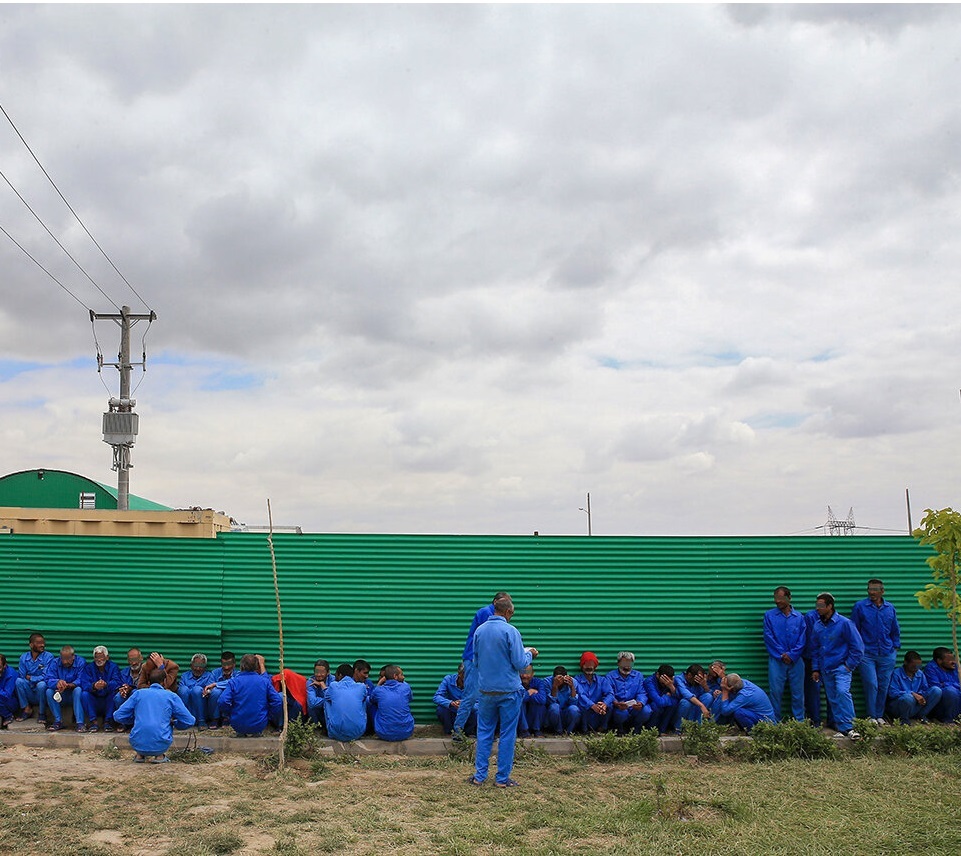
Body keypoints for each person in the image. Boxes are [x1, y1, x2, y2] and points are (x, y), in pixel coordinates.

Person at [470, 595, 537, 788]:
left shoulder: (480, 631)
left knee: (484, 732)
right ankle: (501, 779)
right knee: (507, 733)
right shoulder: (511, 631)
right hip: (508, 691)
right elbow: (519, 662)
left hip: (486, 690)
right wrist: (530, 654)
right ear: (508, 612)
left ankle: (479, 776)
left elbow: (475, 661)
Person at [453, 591, 510, 741]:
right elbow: (489, 639)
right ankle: (458, 732)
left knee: (484, 696)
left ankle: (483, 733)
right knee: (470, 696)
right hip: (475, 659)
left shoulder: (490, 613)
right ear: (497, 602)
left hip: (482, 660)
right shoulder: (487, 613)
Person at [810, 592, 865, 741]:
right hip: (825, 668)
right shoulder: (817, 625)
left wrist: (848, 666)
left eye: (821, 606)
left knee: (842, 692)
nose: (818, 608)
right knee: (833, 698)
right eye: (817, 605)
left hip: (841, 667)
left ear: (830, 606)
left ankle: (851, 727)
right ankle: (842, 728)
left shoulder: (844, 623)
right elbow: (815, 648)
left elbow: (858, 647)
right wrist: (815, 668)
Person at [113, 668, 195, 762]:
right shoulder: (171, 696)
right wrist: (175, 723)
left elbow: (118, 715)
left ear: (148, 682)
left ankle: (140, 755)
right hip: (160, 745)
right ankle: (159, 756)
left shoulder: (138, 694)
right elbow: (189, 720)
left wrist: (134, 721)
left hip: (137, 744)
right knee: (165, 725)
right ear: (164, 681)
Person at [851, 578, 901, 726]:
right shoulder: (860, 607)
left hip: (887, 653)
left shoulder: (890, 608)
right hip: (867, 653)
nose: (871, 592)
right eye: (869, 589)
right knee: (871, 684)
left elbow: (894, 629)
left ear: (882, 591)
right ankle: (871, 715)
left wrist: (895, 648)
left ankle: (880, 715)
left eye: (875, 589)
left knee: (884, 685)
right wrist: (858, 649)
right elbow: (854, 629)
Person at [763, 586, 806, 722]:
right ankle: (774, 722)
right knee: (776, 692)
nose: (777, 601)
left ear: (789, 598)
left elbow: (802, 639)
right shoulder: (769, 616)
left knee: (798, 693)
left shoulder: (799, 617)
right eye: (775, 598)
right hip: (777, 660)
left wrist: (792, 655)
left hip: (796, 661)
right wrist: (782, 654)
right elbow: (769, 637)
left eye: (781, 598)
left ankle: (799, 722)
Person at [218, 654, 284, 737]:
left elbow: (222, 701)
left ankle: (241, 733)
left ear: (241, 666)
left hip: (237, 724)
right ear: (257, 667)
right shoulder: (264, 681)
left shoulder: (234, 682)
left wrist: (230, 714)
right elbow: (277, 701)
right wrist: (269, 716)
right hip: (259, 724)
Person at [887, 651, 942, 725]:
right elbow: (892, 693)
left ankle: (921, 715)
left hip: (916, 705)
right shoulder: (896, 674)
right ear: (906, 663)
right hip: (900, 706)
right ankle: (904, 719)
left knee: (936, 690)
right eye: (913, 666)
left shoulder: (920, 673)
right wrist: (913, 694)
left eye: (918, 666)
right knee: (907, 698)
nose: (916, 668)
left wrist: (920, 696)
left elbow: (925, 689)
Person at [606, 652, 652, 735]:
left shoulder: (638, 675)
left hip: (633, 706)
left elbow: (641, 692)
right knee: (621, 714)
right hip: (619, 707)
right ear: (618, 663)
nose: (627, 666)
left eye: (629, 663)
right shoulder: (610, 676)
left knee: (646, 711)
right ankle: (620, 728)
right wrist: (616, 703)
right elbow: (609, 693)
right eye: (624, 663)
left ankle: (636, 728)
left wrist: (640, 702)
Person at [710, 673, 776, 731]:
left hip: (765, 720)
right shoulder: (742, 682)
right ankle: (712, 723)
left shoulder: (745, 695)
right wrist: (723, 692)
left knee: (738, 712)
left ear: (732, 688)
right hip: (753, 713)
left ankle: (753, 732)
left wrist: (725, 692)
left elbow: (725, 711)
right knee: (722, 697)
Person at [15, 633, 55, 725]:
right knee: (18, 681)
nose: (42, 645)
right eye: (39, 643)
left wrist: (31, 678)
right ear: (31, 645)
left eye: (43, 643)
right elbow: (22, 675)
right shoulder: (24, 658)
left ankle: (42, 713)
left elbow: (46, 676)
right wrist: (35, 679)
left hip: (40, 691)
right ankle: (26, 709)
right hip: (28, 689)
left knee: (42, 684)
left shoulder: (48, 657)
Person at [45, 645, 88, 732]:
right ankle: (58, 721)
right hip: (61, 694)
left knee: (78, 690)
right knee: (49, 691)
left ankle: (80, 723)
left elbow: (82, 679)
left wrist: (69, 685)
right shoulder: (55, 663)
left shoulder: (81, 662)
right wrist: (57, 682)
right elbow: (47, 679)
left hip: (73, 695)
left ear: (73, 656)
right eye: (63, 659)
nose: (65, 662)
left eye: (68, 659)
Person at [802, 608, 833, 729]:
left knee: (832, 691)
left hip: (830, 660)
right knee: (813, 691)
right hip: (812, 659)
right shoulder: (810, 617)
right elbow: (811, 641)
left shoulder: (838, 621)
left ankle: (833, 720)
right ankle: (814, 720)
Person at [324, 662, 369, 742]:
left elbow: (326, 695)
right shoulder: (361, 686)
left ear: (340, 675)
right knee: (364, 699)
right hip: (358, 733)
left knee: (327, 700)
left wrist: (322, 686)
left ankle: (330, 729)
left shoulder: (333, 686)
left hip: (336, 733)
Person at [81, 646, 122, 732]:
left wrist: (106, 684)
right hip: (94, 700)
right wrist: (94, 686)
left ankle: (108, 722)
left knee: (115, 694)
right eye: (97, 657)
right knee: (84, 694)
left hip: (108, 699)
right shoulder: (89, 668)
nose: (99, 660)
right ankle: (94, 722)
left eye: (101, 657)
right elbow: (84, 683)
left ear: (107, 657)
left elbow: (118, 682)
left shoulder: (113, 667)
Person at [370, 664, 415, 741]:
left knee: (372, 703)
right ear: (395, 676)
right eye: (402, 674)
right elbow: (410, 698)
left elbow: (372, 699)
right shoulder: (406, 687)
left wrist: (379, 684)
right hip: (406, 732)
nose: (404, 677)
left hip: (384, 734)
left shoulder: (378, 690)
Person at [573, 652, 612, 733]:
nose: (589, 667)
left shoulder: (602, 680)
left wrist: (604, 704)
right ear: (582, 666)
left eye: (591, 664)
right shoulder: (577, 679)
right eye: (586, 664)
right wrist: (592, 705)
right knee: (581, 705)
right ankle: (584, 730)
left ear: (595, 666)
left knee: (610, 705)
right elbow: (581, 695)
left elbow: (610, 694)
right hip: (585, 711)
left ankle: (602, 728)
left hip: (599, 711)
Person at [434, 664, 476, 735]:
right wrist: (450, 703)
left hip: (468, 713)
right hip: (453, 712)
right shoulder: (448, 679)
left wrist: (466, 704)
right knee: (441, 709)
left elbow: (481, 703)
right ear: (459, 674)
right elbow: (437, 697)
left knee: (478, 712)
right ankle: (450, 732)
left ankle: (467, 732)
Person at [177, 654, 216, 730]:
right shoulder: (185, 676)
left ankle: (201, 721)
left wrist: (201, 691)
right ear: (191, 665)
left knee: (197, 690)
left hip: (202, 709)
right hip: (189, 707)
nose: (198, 668)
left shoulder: (209, 676)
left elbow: (209, 691)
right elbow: (182, 692)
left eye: (201, 666)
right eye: (195, 665)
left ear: (205, 667)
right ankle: (184, 719)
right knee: (183, 689)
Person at [922, 647, 961, 723]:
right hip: (942, 705)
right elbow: (936, 686)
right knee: (950, 691)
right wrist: (954, 686)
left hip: (956, 700)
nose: (954, 662)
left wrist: (946, 684)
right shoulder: (930, 668)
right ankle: (948, 720)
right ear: (939, 661)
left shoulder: (955, 667)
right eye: (950, 660)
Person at [113, 648, 145, 732]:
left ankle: (137, 723)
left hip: (143, 698)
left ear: (141, 658)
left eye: (136, 659)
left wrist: (131, 689)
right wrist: (123, 689)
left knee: (135, 693)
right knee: (118, 697)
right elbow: (118, 685)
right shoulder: (124, 672)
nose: (134, 663)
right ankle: (124, 723)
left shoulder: (147, 671)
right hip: (127, 697)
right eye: (131, 660)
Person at [644, 664, 683, 735]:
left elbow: (679, 698)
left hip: (664, 705)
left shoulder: (671, 682)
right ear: (658, 675)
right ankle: (651, 730)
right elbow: (659, 702)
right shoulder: (649, 682)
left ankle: (662, 730)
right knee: (656, 706)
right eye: (664, 680)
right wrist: (666, 696)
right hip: (652, 707)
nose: (666, 683)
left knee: (674, 703)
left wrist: (671, 687)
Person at [203, 651, 237, 728]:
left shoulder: (238, 673)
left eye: (229, 664)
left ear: (234, 664)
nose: (226, 667)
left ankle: (226, 717)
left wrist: (216, 684)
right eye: (224, 664)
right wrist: (207, 691)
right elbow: (209, 686)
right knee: (215, 692)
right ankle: (215, 718)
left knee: (229, 692)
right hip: (215, 704)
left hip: (231, 707)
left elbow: (234, 682)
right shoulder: (215, 673)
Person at [545, 666, 580, 736]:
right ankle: (558, 731)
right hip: (553, 716)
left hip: (566, 713)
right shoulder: (547, 682)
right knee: (554, 707)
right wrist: (555, 686)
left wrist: (572, 687)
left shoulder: (573, 681)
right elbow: (549, 703)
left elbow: (574, 703)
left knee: (574, 709)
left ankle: (569, 732)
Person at [517, 665, 549, 737]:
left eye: (527, 673)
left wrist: (526, 695)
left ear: (533, 674)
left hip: (533, 717)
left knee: (539, 704)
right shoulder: (516, 683)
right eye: (522, 672)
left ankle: (536, 730)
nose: (524, 675)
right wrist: (529, 692)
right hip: (521, 719)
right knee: (519, 703)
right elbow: (517, 699)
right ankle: (523, 730)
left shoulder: (538, 682)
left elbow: (542, 700)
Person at [306, 659, 332, 728]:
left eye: (322, 672)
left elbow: (335, 700)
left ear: (328, 672)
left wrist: (323, 686)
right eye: (316, 672)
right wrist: (328, 700)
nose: (319, 675)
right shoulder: (310, 682)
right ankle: (315, 728)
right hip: (318, 714)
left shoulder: (333, 680)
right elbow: (312, 703)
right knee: (311, 706)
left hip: (329, 714)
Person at [0, 654, 18, 727]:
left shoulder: (11, 674)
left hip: (10, 702)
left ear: (5, 665)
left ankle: (8, 715)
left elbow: (7, 695)